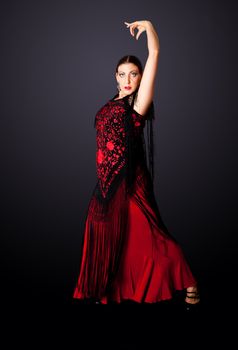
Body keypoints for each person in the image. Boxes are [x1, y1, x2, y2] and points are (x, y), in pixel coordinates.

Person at [73, 20, 200, 307]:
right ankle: (110, 290)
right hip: (106, 184)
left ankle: (189, 280)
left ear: (141, 77)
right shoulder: (110, 103)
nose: (127, 79)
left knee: (150, 237)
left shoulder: (137, 103)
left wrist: (151, 28)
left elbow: (154, 53)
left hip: (130, 181)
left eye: (133, 74)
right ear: (115, 77)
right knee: (112, 237)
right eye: (122, 74)